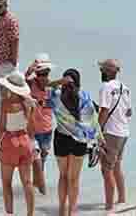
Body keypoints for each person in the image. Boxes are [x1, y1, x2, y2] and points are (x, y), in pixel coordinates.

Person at [46, 69, 102, 216]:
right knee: (74, 178)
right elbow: (93, 120)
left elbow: (44, 87)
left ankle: (61, 210)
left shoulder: (57, 96)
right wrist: (97, 140)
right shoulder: (85, 97)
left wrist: (59, 82)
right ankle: (72, 211)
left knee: (63, 176)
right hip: (80, 141)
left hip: (61, 139)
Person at [0, 72, 37, 216]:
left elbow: (1, 127)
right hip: (25, 142)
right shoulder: (28, 103)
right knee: (27, 182)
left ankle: (10, 214)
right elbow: (32, 127)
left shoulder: (5, 103)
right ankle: (30, 214)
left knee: (7, 183)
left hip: (9, 142)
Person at [97, 59, 132, 211]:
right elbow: (129, 111)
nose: (101, 72)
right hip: (124, 132)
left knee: (106, 169)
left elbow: (104, 111)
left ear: (108, 71)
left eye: (102, 70)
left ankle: (109, 207)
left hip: (111, 133)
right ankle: (122, 199)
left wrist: (97, 131)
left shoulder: (106, 87)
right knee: (117, 165)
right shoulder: (125, 88)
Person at [26, 54, 55, 195]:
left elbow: (58, 105)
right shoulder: (31, 84)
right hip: (32, 130)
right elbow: (20, 82)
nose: (43, 76)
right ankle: (40, 190)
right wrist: (30, 68)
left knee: (42, 158)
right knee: (35, 159)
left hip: (47, 130)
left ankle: (37, 184)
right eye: (40, 74)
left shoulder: (52, 88)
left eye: (45, 73)